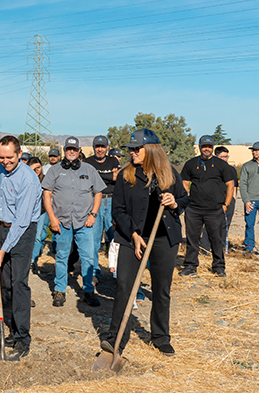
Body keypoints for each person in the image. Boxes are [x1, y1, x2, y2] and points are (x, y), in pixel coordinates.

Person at [101, 129, 189, 357]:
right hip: (133, 239)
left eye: (136, 149)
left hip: (164, 239)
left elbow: (184, 198)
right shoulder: (125, 175)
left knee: (162, 289)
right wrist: (134, 234)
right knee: (124, 287)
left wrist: (173, 203)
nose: (132, 153)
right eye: (130, 149)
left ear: (150, 149)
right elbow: (117, 210)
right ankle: (116, 340)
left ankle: (160, 337)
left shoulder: (169, 173)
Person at [0, 136, 41, 357]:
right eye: (2, 157)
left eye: (10, 158)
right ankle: (12, 328)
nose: (5, 162)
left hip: (23, 231)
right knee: (5, 283)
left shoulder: (27, 179)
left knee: (19, 283)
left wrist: (3, 249)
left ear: (19, 155)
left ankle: (22, 337)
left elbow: (22, 221)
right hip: (2, 226)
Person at [42, 136, 105, 307]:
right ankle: (60, 290)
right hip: (61, 222)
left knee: (87, 257)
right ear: (64, 151)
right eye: (68, 149)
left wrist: (93, 214)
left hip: (84, 222)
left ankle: (88, 291)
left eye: (74, 149)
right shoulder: (54, 171)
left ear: (79, 151)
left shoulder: (89, 169)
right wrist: (52, 218)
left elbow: (98, 192)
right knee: (62, 256)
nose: (71, 152)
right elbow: (46, 195)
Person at [178, 135, 235, 277]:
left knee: (216, 239)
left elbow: (230, 185)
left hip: (215, 209)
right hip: (194, 209)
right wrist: (186, 202)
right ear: (199, 147)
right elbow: (184, 183)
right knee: (192, 239)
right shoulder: (191, 164)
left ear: (213, 148)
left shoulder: (222, 165)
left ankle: (219, 266)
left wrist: (226, 205)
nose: (207, 149)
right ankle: (190, 266)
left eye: (209, 147)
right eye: (204, 146)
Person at [84, 135, 121, 280]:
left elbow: (117, 177)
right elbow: (89, 180)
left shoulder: (113, 160)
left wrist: (97, 175)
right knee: (94, 239)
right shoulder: (87, 162)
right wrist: (109, 176)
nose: (100, 149)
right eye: (97, 146)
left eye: (103, 146)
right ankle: (94, 272)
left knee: (115, 238)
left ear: (107, 147)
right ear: (93, 148)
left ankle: (117, 271)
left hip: (111, 201)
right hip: (94, 202)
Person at [200, 146, 238, 253]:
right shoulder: (210, 168)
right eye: (222, 157)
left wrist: (233, 199)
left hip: (228, 200)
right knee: (210, 224)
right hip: (213, 200)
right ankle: (205, 248)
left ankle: (219, 248)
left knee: (225, 225)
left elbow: (234, 185)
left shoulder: (231, 170)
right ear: (216, 156)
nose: (225, 159)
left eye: (226, 156)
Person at [28, 156, 48, 273]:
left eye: (39, 167)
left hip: (41, 212)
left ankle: (33, 260)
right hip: (28, 212)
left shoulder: (45, 180)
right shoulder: (26, 179)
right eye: (34, 168)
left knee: (38, 237)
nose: (37, 170)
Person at [240, 141, 259, 257]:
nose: (254, 152)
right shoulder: (247, 166)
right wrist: (246, 200)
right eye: (253, 150)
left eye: (256, 150)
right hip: (251, 200)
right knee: (249, 224)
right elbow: (243, 184)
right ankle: (249, 247)